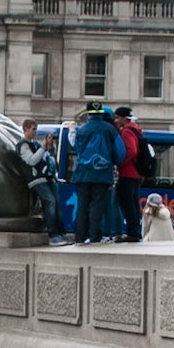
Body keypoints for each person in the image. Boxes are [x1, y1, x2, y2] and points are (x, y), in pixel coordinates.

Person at [70, 101, 125, 245]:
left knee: (83, 205)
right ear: (100, 113)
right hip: (102, 173)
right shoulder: (109, 130)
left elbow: (77, 149)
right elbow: (120, 152)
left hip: (83, 173)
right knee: (97, 205)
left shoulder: (81, 130)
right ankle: (95, 236)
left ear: (88, 114)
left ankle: (80, 237)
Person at [18, 121, 66, 244]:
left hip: (47, 178)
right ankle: (53, 235)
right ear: (26, 129)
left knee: (56, 203)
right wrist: (44, 147)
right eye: (33, 129)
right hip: (35, 180)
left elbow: (47, 159)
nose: (35, 132)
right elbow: (31, 161)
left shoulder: (35, 144)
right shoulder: (23, 145)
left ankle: (59, 233)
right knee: (49, 201)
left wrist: (49, 147)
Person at [111, 106, 144, 243]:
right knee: (133, 203)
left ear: (124, 118)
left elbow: (131, 150)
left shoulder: (126, 131)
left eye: (118, 117)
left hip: (128, 173)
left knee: (127, 203)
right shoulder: (137, 130)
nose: (116, 120)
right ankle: (135, 231)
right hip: (137, 174)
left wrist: (120, 162)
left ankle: (132, 233)